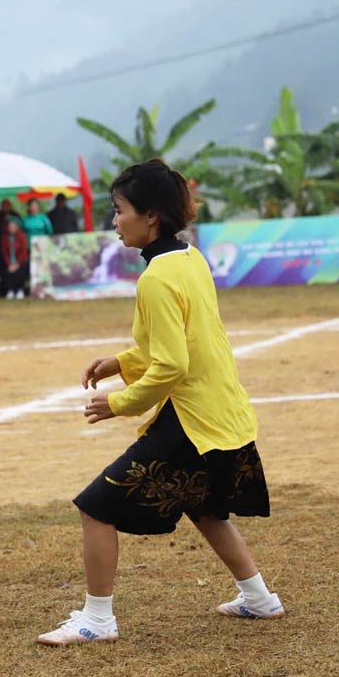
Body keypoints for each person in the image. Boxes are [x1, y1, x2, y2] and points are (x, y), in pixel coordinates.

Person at [36, 159, 279, 646]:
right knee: (205, 505)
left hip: (193, 418)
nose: (114, 221)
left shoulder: (156, 278)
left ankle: (98, 620)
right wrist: (121, 363)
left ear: (151, 216)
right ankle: (258, 598)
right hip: (219, 411)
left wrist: (119, 402)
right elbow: (173, 345)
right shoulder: (189, 258)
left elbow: (171, 366)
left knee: (95, 507)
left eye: (119, 210)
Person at [1, 218, 29, 299]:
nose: (11, 228)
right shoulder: (5, 237)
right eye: (10, 226)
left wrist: (17, 264)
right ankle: (10, 290)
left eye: (13, 226)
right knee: (8, 272)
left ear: (17, 227)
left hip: (20, 261)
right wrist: (9, 264)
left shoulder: (22, 236)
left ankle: (20, 290)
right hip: (9, 261)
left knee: (21, 270)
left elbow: (23, 251)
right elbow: (4, 252)